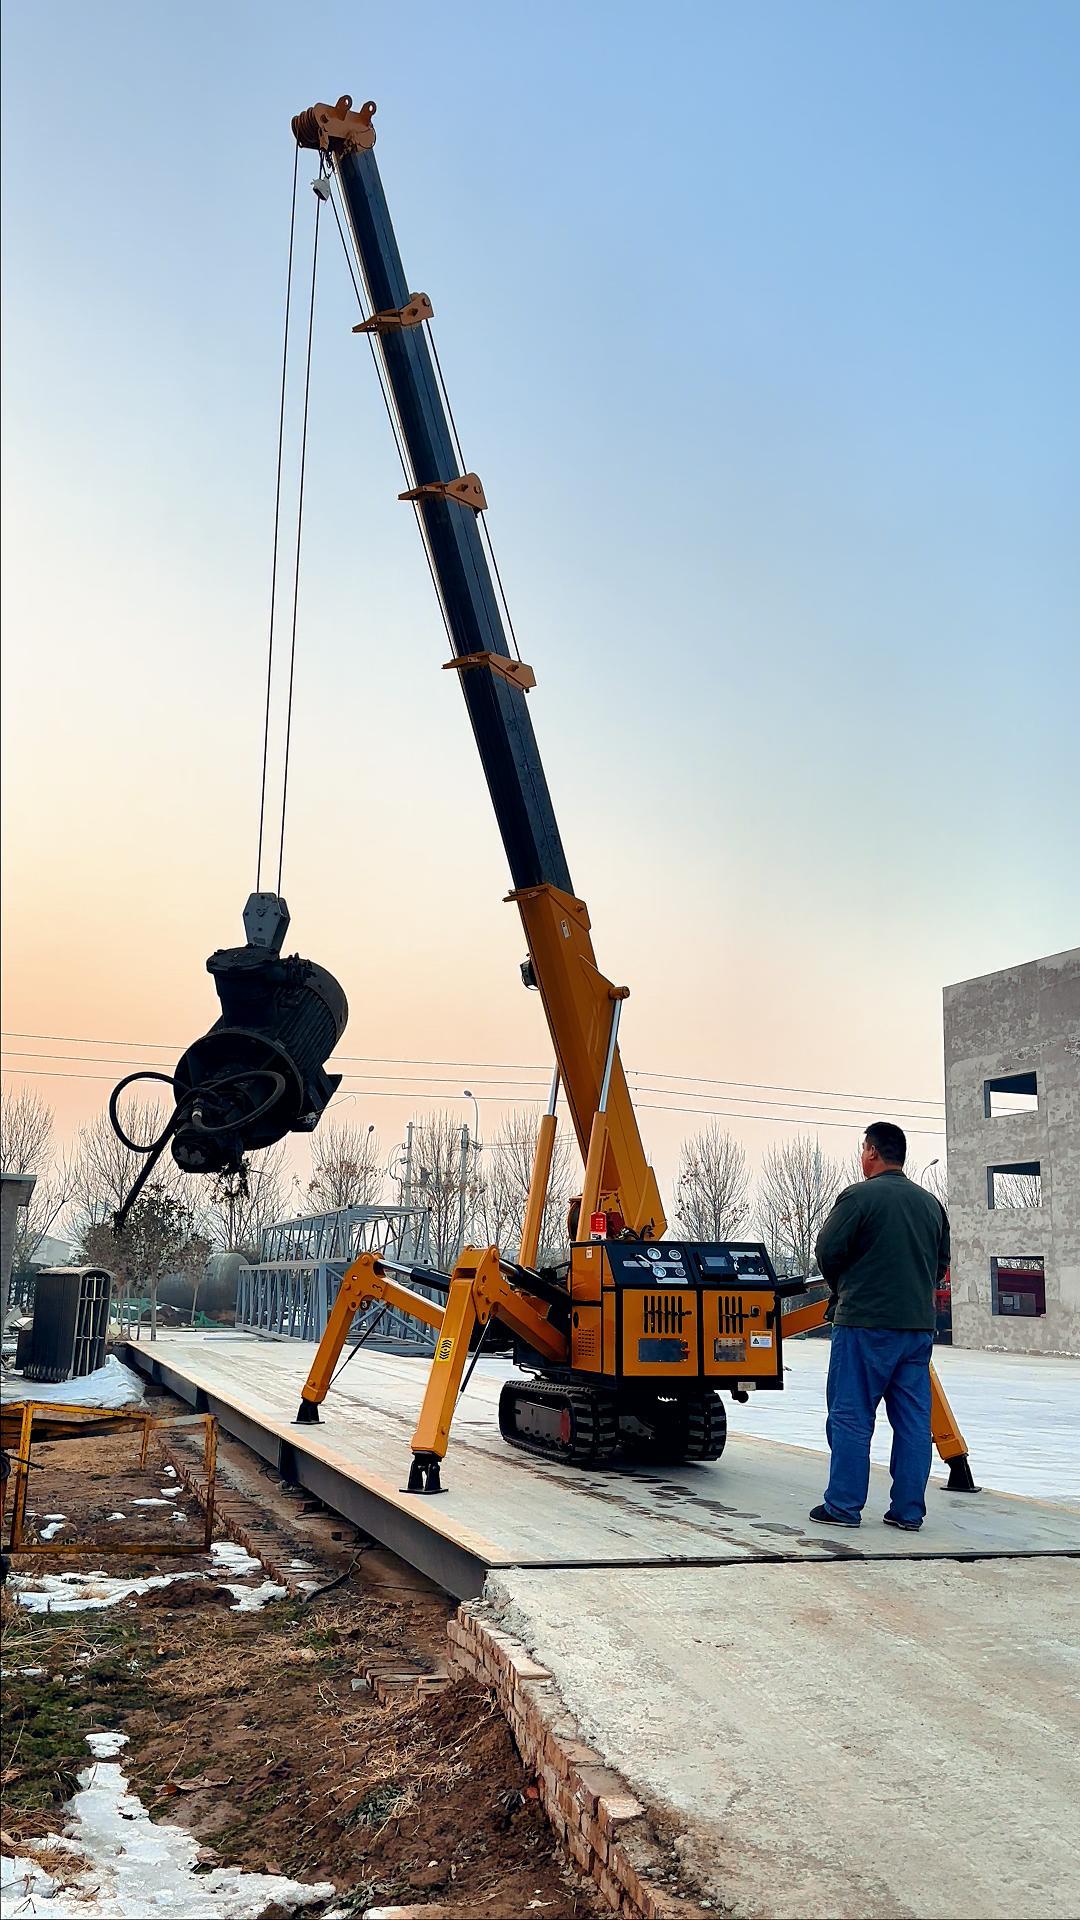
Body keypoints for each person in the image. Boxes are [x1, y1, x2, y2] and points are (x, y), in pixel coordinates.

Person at [808, 1121, 950, 1533]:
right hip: (917, 1330)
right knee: (912, 1421)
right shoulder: (930, 1204)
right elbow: (941, 1263)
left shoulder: (858, 1197)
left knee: (851, 1416)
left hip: (864, 1326)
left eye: (863, 1149)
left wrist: (847, 1289)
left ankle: (843, 1506)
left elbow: (828, 1252)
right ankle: (908, 1512)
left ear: (870, 1152)